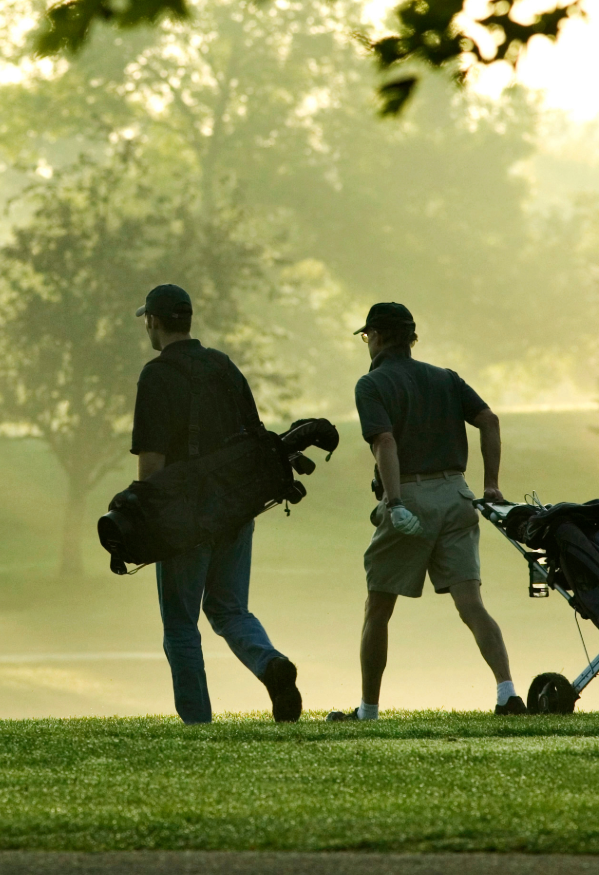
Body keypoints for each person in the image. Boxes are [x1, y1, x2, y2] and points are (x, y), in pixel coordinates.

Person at [328, 301, 524, 720]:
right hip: (458, 496)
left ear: (376, 337)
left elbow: (384, 443)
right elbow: (488, 419)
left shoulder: (372, 384)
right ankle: (508, 694)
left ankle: (368, 711)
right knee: (471, 604)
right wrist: (490, 485)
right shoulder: (446, 379)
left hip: (410, 498)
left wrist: (395, 502)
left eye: (366, 336)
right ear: (411, 338)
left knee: (378, 608)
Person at [130, 283, 302, 724]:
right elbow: (254, 438)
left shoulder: (156, 375)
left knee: (181, 627)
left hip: (185, 517)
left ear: (152, 320)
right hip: (237, 507)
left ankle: (197, 725)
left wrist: (145, 520)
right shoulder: (224, 366)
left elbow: (151, 465)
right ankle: (272, 665)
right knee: (229, 608)